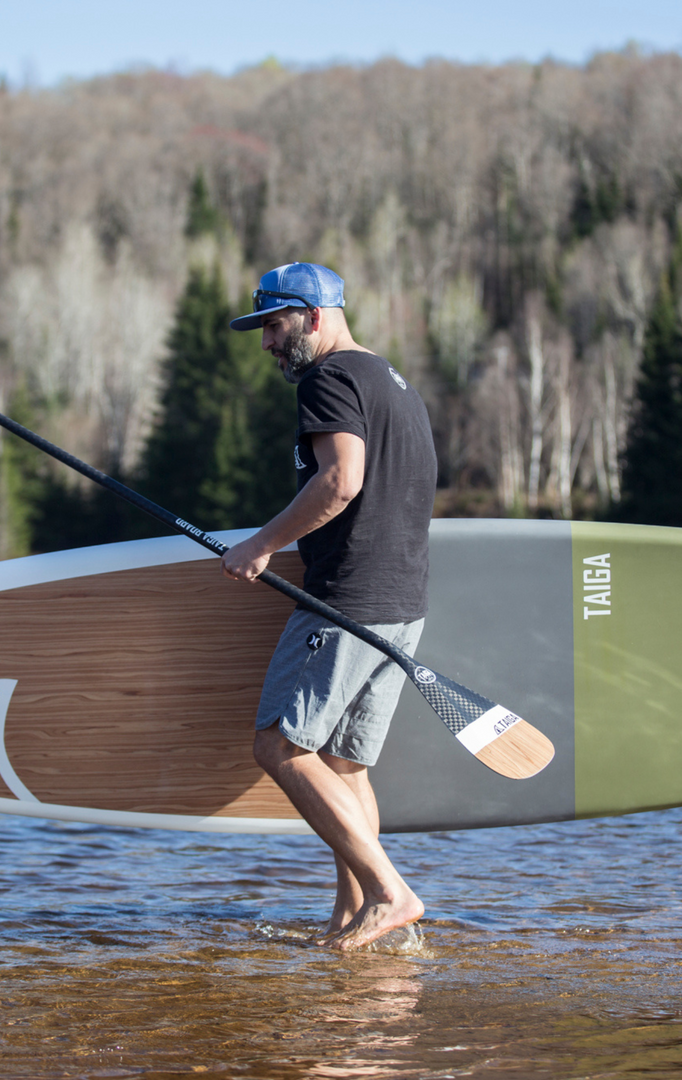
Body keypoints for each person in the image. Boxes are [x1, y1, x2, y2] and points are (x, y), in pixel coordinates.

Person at [221, 262, 437, 951]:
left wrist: (261, 544)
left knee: (279, 744)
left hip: (347, 599)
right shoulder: (391, 381)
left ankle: (389, 891)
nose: (266, 344)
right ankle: (351, 919)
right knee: (345, 765)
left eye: (275, 326)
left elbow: (341, 480)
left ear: (315, 317)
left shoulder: (330, 377)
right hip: (402, 600)